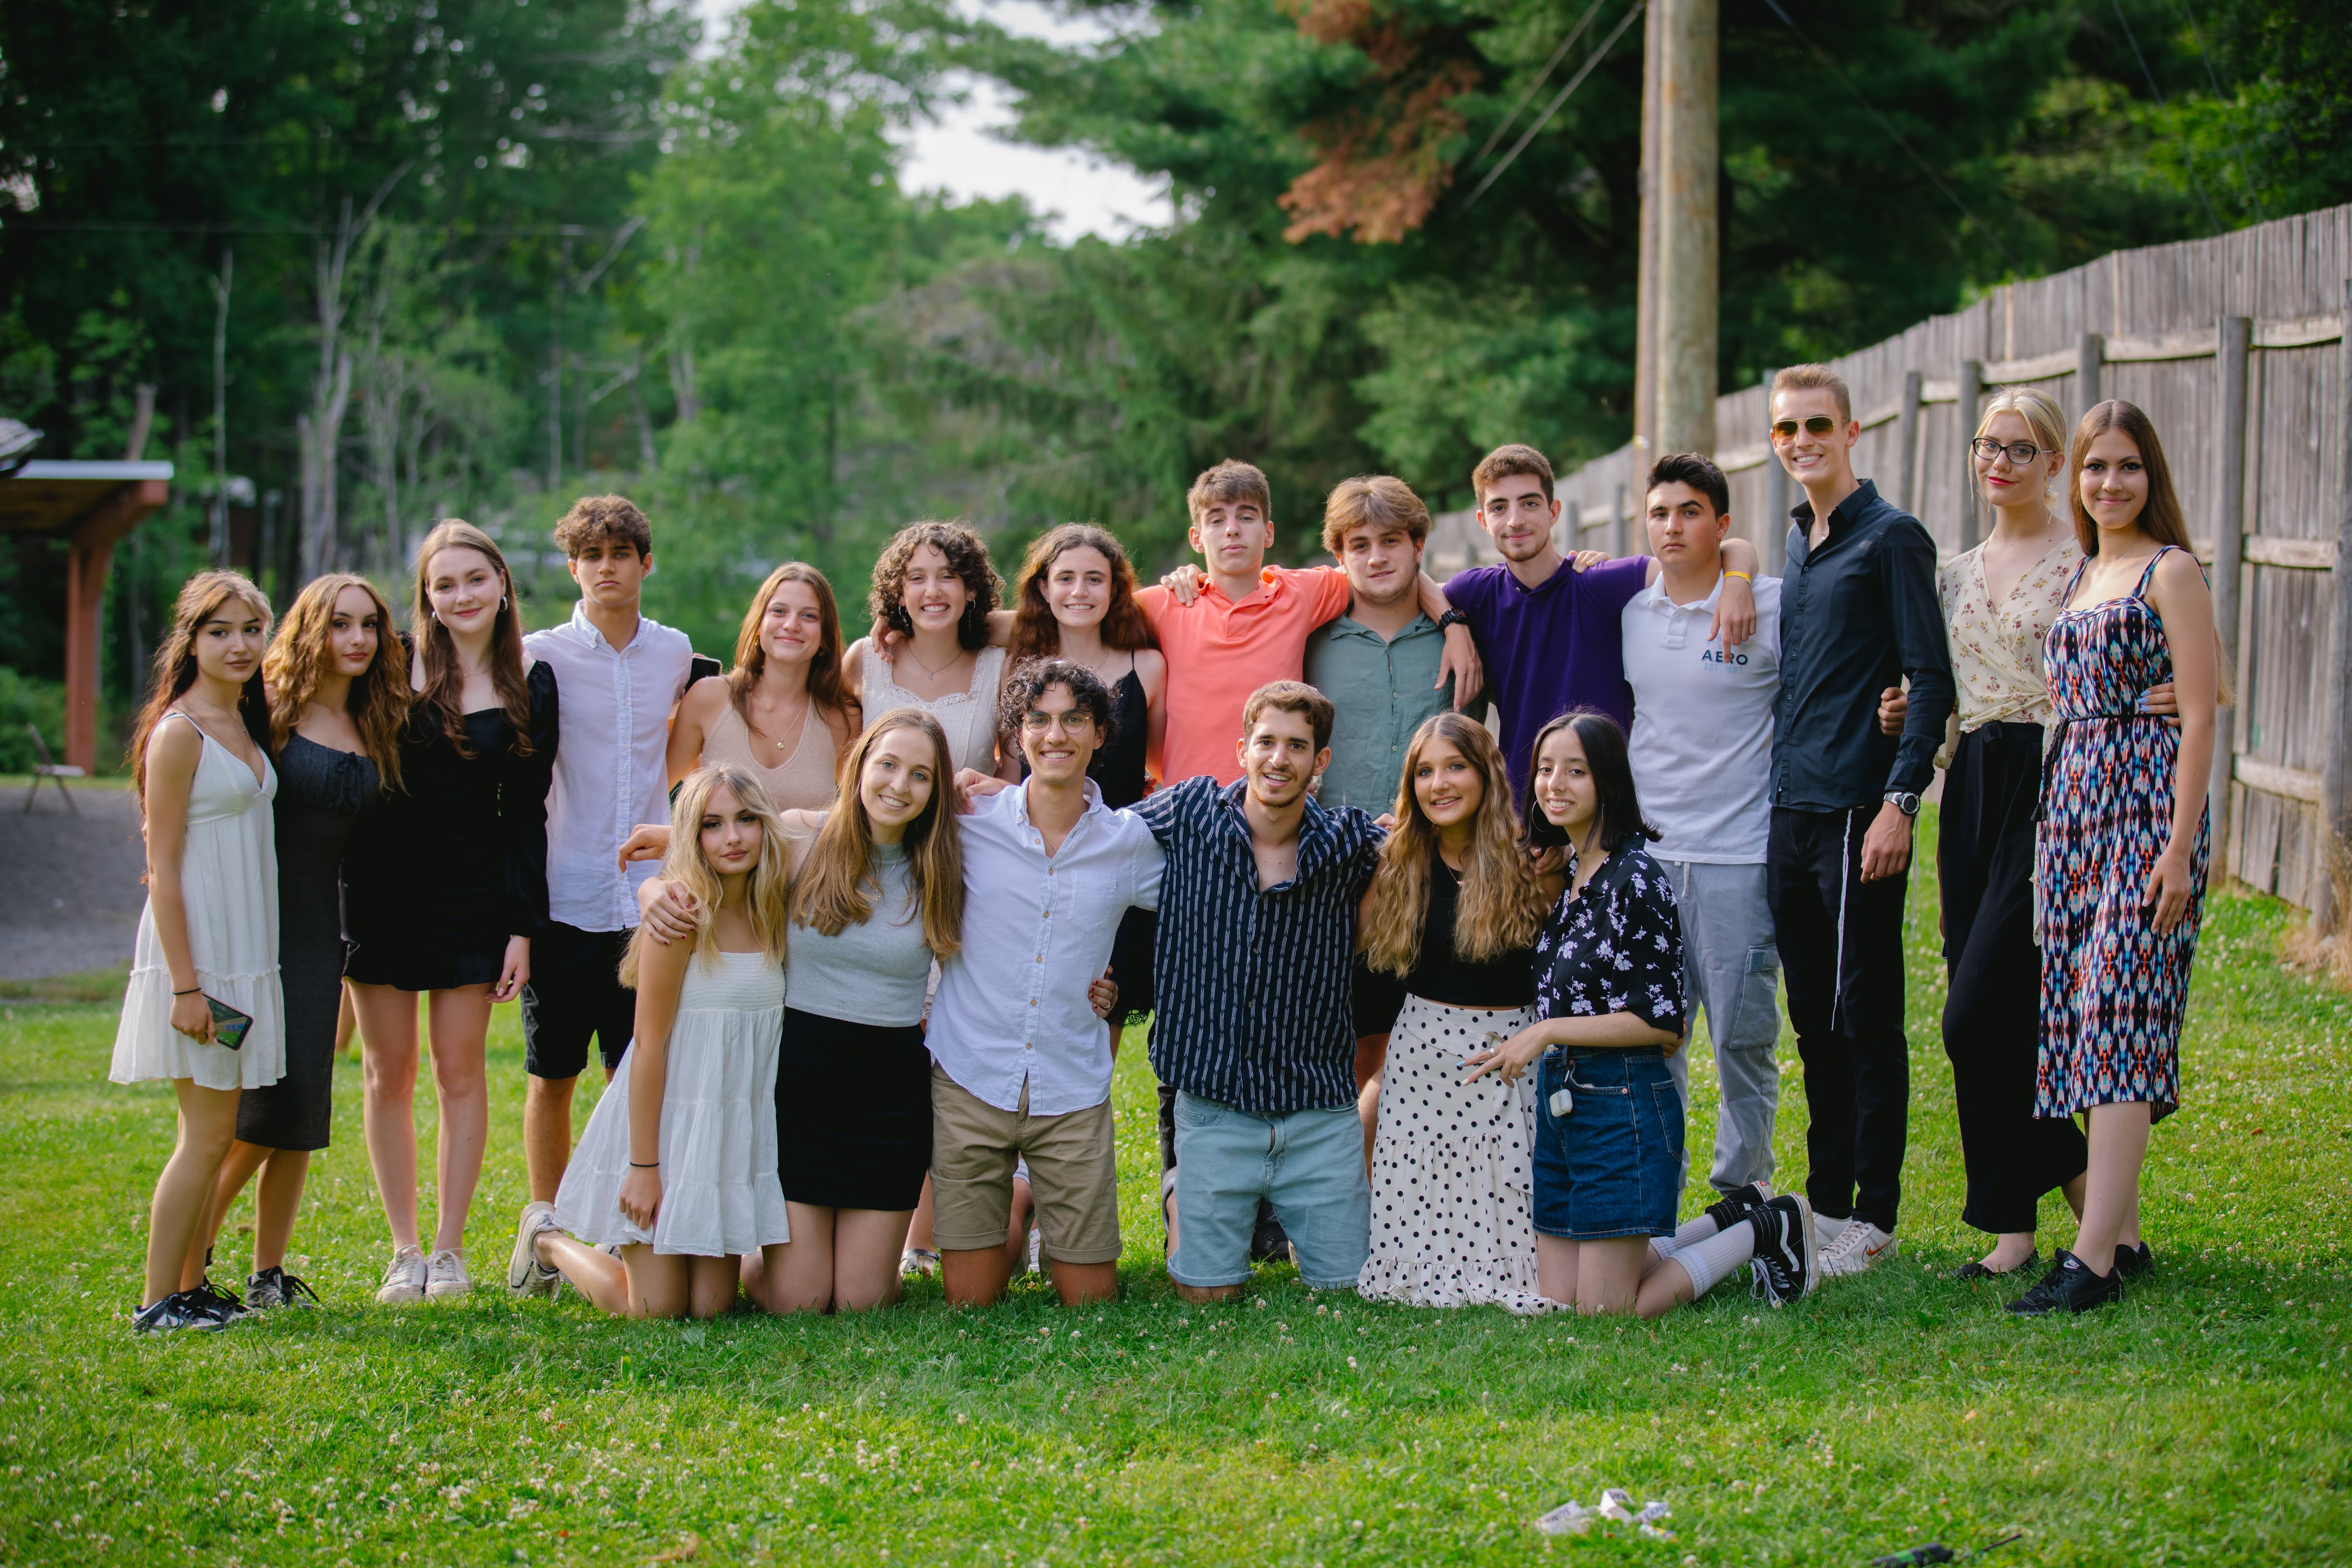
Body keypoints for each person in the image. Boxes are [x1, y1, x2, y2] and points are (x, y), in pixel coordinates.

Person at [1467, 712, 1818, 1314]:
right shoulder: (1573, 874)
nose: (1554, 783)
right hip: (1563, 1104)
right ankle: (1729, 1216)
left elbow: (1660, 1022)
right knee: (1557, 1300)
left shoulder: (1636, 879)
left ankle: (1768, 1227)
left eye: (1574, 770)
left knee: (1608, 1311)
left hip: (1620, 1106)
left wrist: (1545, 1030)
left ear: (1607, 781)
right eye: (1545, 769)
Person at [645, 709, 965, 1311]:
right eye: (888, 764)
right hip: (797, 1089)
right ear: (860, 764)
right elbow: (713, 849)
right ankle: (742, 1247)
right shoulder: (800, 838)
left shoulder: (944, 865)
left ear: (936, 790)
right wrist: (653, 888)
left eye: (920, 775)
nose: (899, 785)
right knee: (798, 1300)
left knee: (860, 1302)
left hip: (889, 1097)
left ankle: (872, 1256)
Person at [2009, 401, 2218, 1316]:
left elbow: (2204, 712)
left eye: (2127, 467)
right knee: (2074, 1015)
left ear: (2150, 476)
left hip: (2144, 811)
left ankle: (2089, 1261)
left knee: (2115, 1016)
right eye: (2094, 469)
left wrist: (2176, 850)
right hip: (2072, 812)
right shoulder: (2086, 574)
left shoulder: (2170, 570)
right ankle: (2122, 1236)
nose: (2109, 484)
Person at [1763, 365, 1954, 1277]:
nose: (1801, 441)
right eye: (1785, 429)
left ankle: (1872, 1213)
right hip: (1787, 816)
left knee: (1861, 1016)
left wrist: (1898, 801)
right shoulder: (1798, 541)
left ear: (1849, 432)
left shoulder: (1892, 539)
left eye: (1815, 426)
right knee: (1810, 1019)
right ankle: (1827, 1199)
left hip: (1854, 815)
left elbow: (1931, 682)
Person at [344, 520, 558, 1303]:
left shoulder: (531, 681)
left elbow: (526, 814)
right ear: (426, 599)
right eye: (444, 584)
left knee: (458, 1073)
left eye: (475, 578)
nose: (461, 595)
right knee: (386, 1075)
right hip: (381, 892)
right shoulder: (389, 663)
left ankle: (447, 1252)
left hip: (476, 900)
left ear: (502, 584)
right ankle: (403, 1253)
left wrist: (522, 928)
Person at [511, 766, 794, 1319]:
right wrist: (644, 1167)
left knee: (711, 1306)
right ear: (692, 836)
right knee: (655, 1309)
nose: (732, 838)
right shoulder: (681, 916)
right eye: (712, 825)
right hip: (661, 1132)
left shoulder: (778, 912)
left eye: (745, 820)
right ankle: (546, 1239)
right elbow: (647, 1046)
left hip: (722, 1138)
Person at [1133, 681, 1385, 1300]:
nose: (1279, 758)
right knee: (1207, 1294)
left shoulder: (1349, 843)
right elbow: (1088, 836)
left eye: (1297, 746)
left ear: (1319, 761)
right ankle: (1181, 1189)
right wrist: (1006, 795)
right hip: (1214, 1101)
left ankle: (1299, 1209)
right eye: (1266, 742)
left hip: (1316, 1108)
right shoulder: (1189, 813)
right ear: (1242, 748)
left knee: (1348, 1290)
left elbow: (1437, 850)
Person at [927, 659, 1164, 1307]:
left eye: (1073, 720)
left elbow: (1205, 900)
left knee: (1089, 1300)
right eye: (1038, 720)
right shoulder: (968, 821)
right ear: (1015, 737)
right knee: (970, 1301)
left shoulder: (1130, 843)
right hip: (971, 1073)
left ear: (1098, 735)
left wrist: (1120, 985)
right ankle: (1016, 1205)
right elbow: (853, 833)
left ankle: (1031, 1194)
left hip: (1069, 1083)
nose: (1054, 734)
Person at [198, 573, 406, 1310]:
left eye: (369, 626)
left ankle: (267, 1276)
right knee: (252, 1115)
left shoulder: (382, 723)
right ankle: (191, 1262)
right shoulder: (267, 712)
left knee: (300, 1115)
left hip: (324, 933)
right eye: (338, 624)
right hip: (254, 925)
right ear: (309, 632)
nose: (355, 640)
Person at [1926, 388, 2093, 1280]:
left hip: (2052, 781)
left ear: (2054, 464)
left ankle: (2080, 1184)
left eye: (2021, 450)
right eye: (1987, 445)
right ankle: (2016, 1230)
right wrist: (1902, 716)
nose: (1999, 462)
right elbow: (1941, 694)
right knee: (1994, 1013)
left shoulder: (2082, 565)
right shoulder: (1950, 573)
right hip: (1971, 791)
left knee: (1974, 1012)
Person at [110, 571, 287, 1333]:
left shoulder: (245, 723)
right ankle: (159, 1303)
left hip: (243, 949)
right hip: (201, 961)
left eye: (251, 628)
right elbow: (165, 870)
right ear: (192, 641)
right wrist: (186, 988)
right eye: (221, 631)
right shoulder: (180, 731)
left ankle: (191, 1287)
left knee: (223, 1128)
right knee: (208, 1133)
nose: (239, 644)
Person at [516, 497, 696, 1235]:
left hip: (646, 901)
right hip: (564, 895)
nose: (607, 567)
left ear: (645, 563)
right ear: (573, 568)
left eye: (621, 554)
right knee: (552, 1076)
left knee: (637, 1071)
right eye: (592, 556)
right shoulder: (538, 653)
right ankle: (551, 1227)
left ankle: (626, 1227)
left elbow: (683, 750)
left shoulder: (675, 651)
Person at [1618, 454, 1785, 1199]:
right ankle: (1654, 1199)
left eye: (1689, 512)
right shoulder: (1631, 612)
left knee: (1743, 1039)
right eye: (1659, 513)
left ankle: (1741, 1200)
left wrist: (1741, 574)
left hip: (1736, 859)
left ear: (1721, 523)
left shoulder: (1771, 605)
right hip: (1647, 862)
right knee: (1653, 1043)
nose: (1672, 526)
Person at [1353, 714, 1558, 1312]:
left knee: (1511, 1216)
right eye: (1424, 772)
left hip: (1510, 1054)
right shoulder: (1396, 860)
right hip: (1422, 1054)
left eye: (1454, 767)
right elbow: (1359, 947)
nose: (1438, 784)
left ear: (1486, 773)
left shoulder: (1533, 864)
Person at [1443, 444, 1759, 804]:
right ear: (1483, 520)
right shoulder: (1476, 592)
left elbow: (1712, 556)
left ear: (1554, 511)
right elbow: (1414, 584)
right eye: (1499, 507)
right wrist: (1452, 623)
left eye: (1529, 503)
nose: (1515, 520)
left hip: (1605, 812)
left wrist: (1736, 580)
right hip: (1518, 814)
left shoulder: (1602, 582)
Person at [1142, 460, 1481, 788]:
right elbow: (1096, 611)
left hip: (1276, 810)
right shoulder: (1166, 603)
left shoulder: (1301, 594)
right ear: (1196, 538)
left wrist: (1452, 622)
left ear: (1269, 532)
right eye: (1216, 520)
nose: (1232, 528)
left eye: (1246, 516)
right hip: (1188, 811)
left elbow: (1386, 574)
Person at [671, 561, 859, 810]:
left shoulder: (844, 720)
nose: (792, 625)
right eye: (779, 611)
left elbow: (861, 817)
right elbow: (650, 793)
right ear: (759, 624)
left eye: (809, 616)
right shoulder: (708, 698)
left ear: (824, 635)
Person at [843, 522, 1013, 781]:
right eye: (917, 578)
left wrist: (975, 621)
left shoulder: (1000, 667)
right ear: (900, 593)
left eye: (948, 576)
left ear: (971, 589)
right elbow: (845, 776)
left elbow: (1011, 786)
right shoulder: (863, 660)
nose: (933, 591)